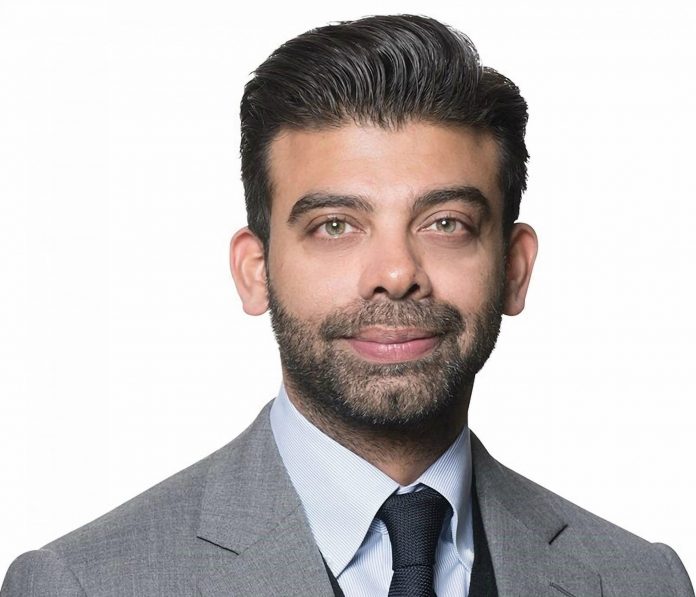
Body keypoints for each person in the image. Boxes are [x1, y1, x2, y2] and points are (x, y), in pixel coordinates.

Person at [1, 14, 692, 597]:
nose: (395, 273)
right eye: (335, 225)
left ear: (514, 268)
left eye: (445, 223)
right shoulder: (82, 584)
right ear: (255, 271)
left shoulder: (643, 580)